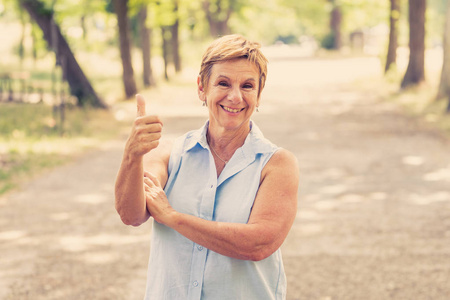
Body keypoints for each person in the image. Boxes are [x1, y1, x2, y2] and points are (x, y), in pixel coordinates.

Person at [115, 34, 299, 300]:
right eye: (223, 83)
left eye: (248, 86)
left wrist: (173, 217)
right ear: (202, 87)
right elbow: (131, 214)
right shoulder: (169, 153)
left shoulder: (277, 164)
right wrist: (132, 155)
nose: (235, 97)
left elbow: (259, 243)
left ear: (259, 94)